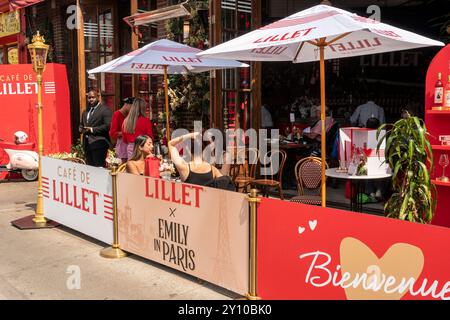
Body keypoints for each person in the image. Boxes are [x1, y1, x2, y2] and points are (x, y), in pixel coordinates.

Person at [79, 89, 113, 167]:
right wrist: (81, 129)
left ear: (98, 97)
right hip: (87, 144)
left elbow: (108, 126)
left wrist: (92, 129)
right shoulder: (86, 111)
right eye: (89, 98)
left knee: (99, 169)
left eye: (93, 97)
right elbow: (82, 124)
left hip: (99, 144)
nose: (90, 99)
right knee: (90, 169)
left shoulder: (105, 110)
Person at [109, 97, 134, 163]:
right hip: (122, 145)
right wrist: (126, 132)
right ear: (126, 104)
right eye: (132, 106)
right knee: (123, 167)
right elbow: (113, 133)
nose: (133, 109)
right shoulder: (117, 114)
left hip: (131, 145)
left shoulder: (130, 115)